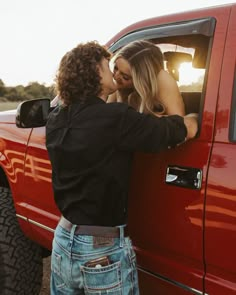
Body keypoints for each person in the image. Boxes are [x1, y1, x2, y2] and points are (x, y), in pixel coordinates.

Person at [46, 41, 198, 295]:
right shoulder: (116, 120)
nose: (113, 72)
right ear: (95, 73)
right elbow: (180, 129)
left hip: (62, 241)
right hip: (100, 248)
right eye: (108, 66)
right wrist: (193, 118)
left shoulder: (56, 119)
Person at [108, 39, 185, 116]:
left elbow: (178, 124)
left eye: (125, 77)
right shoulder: (118, 85)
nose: (115, 76)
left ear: (141, 80)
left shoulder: (163, 80)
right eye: (115, 68)